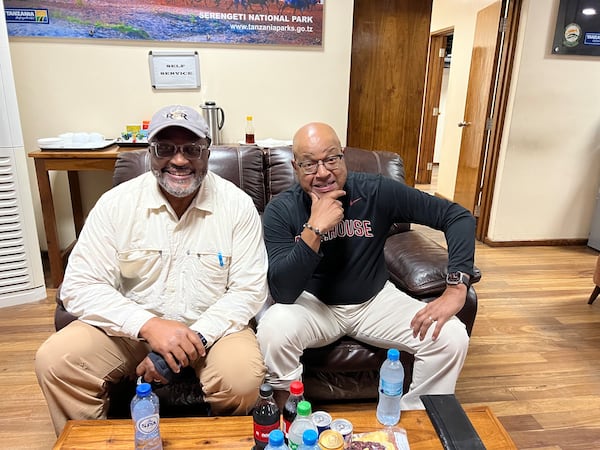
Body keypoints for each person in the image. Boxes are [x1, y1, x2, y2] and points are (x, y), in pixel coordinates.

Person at [35, 105, 268, 435]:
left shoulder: (237, 206)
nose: (179, 160)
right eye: (165, 148)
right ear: (149, 152)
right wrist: (148, 325)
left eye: (191, 149)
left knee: (242, 378)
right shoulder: (117, 204)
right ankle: (93, 443)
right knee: (56, 360)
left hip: (212, 330)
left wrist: (186, 343)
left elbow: (248, 291)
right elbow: (79, 284)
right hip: (130, 331)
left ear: (207, 152)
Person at [256, 122, 476, 409]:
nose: (322, 172)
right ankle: (290, 411)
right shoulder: (280, 210)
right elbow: (283, 291)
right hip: (312, 305)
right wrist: (314, 230)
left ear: (343, 155)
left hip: (375, 301)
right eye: (310, 164)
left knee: (451, 337)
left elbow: (458, 217)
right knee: (273, 327)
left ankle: (421, 419)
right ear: (296, 167)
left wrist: (457, 288)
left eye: (331, 159)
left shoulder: (376, 191)